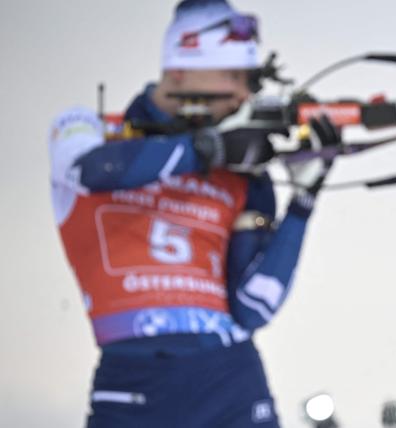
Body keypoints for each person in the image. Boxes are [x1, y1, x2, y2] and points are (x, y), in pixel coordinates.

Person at [48, 1, 338, 426]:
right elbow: (88, 169)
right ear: (178, 72)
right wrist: (209, 149)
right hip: (135, 378)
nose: (242, 93)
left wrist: (303, 199)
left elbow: (251, 309)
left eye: (247, 79)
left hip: (229, 373)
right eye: (230, 76)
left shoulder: (239, 171)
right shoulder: (91, 129)